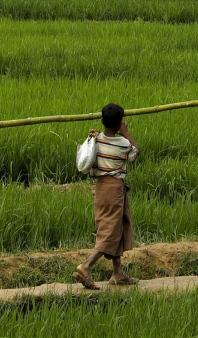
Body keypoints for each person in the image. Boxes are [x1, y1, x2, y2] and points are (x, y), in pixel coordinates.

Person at [74, 103, 140, 290]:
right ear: (120, 123)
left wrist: (92, 136)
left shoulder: (95, 139)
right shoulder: (123, 144)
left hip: (101, 188)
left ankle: (118, 273)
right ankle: (85, 266)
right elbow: (136, 153)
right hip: (114, 189)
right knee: (110, 230)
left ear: (102, 120)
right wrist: (126, 134)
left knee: (114, 226)